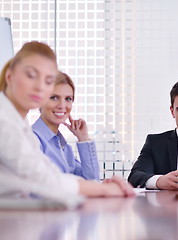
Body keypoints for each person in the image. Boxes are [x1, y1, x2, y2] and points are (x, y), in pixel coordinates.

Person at [0, 41, 134, 199]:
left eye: (48, 81)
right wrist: (105, 189)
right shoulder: (6, 122)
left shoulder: (24, 128)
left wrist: (101, 186)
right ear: (9, 76)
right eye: (31, 75)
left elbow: (54, 174)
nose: (39, 86)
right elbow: (45, 181)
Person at [32, 72, 99, 180]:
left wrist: (83, 138)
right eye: (54, 97)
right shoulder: (32, 140)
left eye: (68, 99)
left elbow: (92, 180)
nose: (62, 106)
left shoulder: (63, 147)